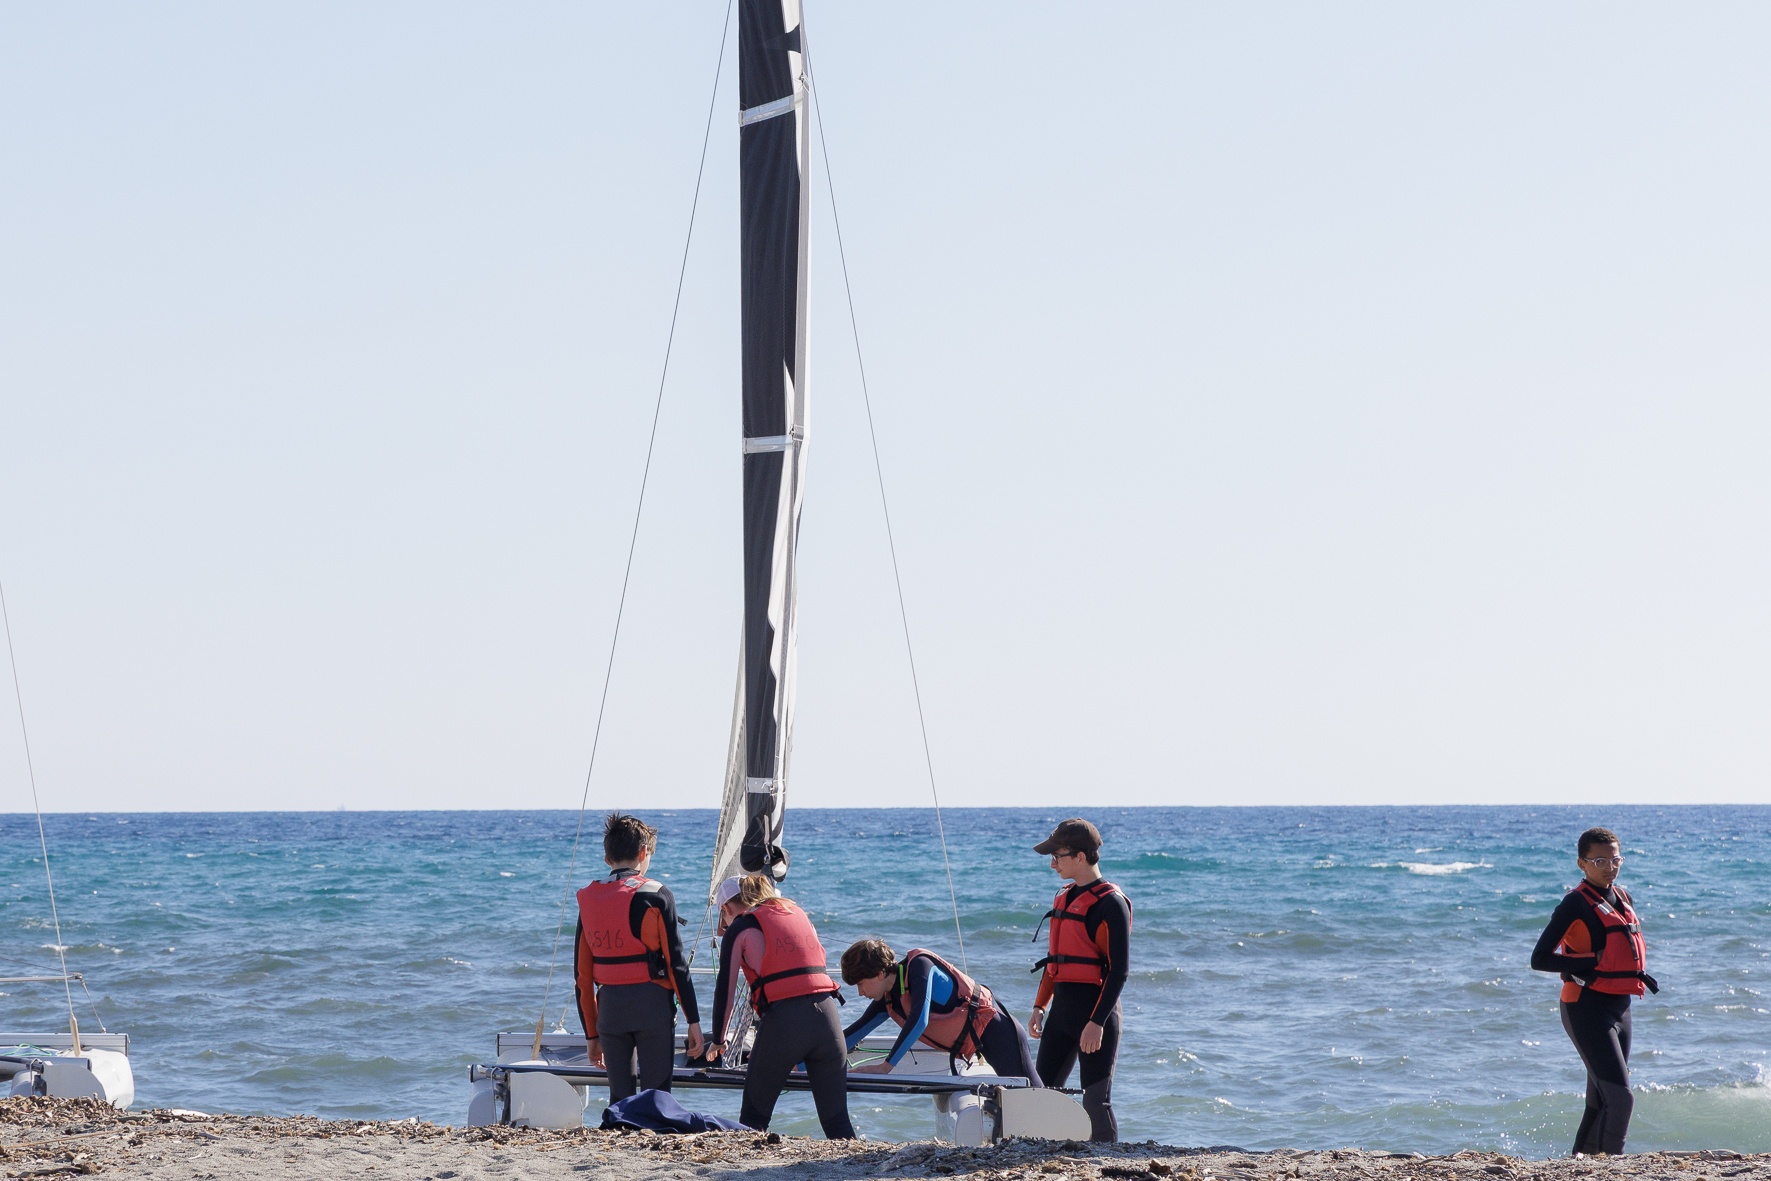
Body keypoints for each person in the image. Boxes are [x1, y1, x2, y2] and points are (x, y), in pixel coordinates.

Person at [1531, 826, 1658, 1156]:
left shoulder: (1624, 897)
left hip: (1621, 1007)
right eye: (1600, 861)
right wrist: (1591, 961)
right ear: (1582, 864)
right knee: (1621, 1098)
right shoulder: (1574, 903)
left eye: (1615, 859)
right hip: (1585, 1006)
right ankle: (1611, 1167)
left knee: (1601, 1099)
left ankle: (1581, 1164)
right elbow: (1539, 958)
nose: (1610, 867)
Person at [706, 874, 855, 1139]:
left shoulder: (741, 926)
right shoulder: (796, 911)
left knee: (753, 1121)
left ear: (725, 909)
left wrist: (718, 1040)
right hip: (828, 1018)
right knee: (837, 1122)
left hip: (785, 1023)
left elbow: (725, 990)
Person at [574, 813, 704, 1102]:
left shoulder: (586, 898)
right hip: (652, 1007)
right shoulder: (657, 894)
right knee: (656, 1098)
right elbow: (676, 965)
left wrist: (591, 1035)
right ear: (644, 853)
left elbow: (582, 977)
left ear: (606, 858)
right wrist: (693, 1020)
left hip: (610, 1010)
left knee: (620, 1100)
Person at [1028, 818, 1130, 1142]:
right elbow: (1055, 961)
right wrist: (1039, 1006)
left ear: (1081, 857)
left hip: (1096, 1016)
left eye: (1057, 856)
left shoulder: (1111, 904)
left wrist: (1096, 1023)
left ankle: (1109, 1161)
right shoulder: (1064, 897)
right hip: (1061, 1014)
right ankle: (1046, 1154)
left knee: (1095, 1102)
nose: (1052, 864)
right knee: (1042, 1095)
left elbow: (1119, 971)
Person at [839, 939, 1040, 1083]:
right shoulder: (888, 998)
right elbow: (852, 1035)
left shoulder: (920, 967)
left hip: (999, 1033)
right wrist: (819, 1061)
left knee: (1032, 1095)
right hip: (976, 1044)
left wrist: (886, 1067)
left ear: (880, 974)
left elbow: (919, 1020)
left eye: (861, 984)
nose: (860, 992)